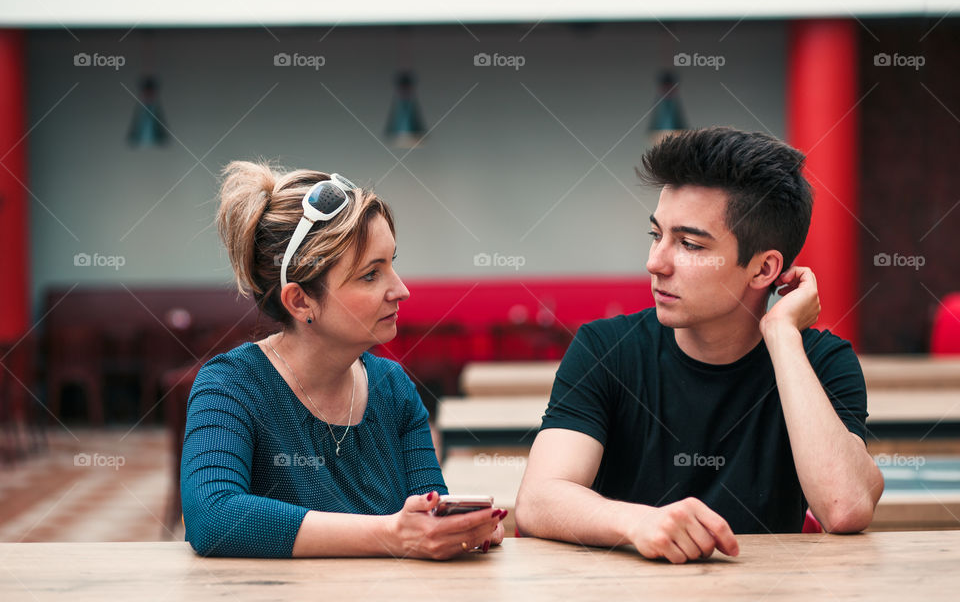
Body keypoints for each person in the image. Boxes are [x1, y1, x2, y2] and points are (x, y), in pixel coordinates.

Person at [515, 127, 884, 563]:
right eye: (657, 235)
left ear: (764, 269)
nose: (655, 263)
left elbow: (845, 509)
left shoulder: (821, 362)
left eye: (689, 244)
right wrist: (638, 523)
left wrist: (782, 335)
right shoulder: (606, 348)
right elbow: (538, 498)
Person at [181, 161, 506, 558]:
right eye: (371, 274)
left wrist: (458, 529)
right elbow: (213, 517)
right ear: (301, 301)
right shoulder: (232, 385)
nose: (400, 290)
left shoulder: (393, 386)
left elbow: (426, 515)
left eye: (392, 263)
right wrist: (391, 535)